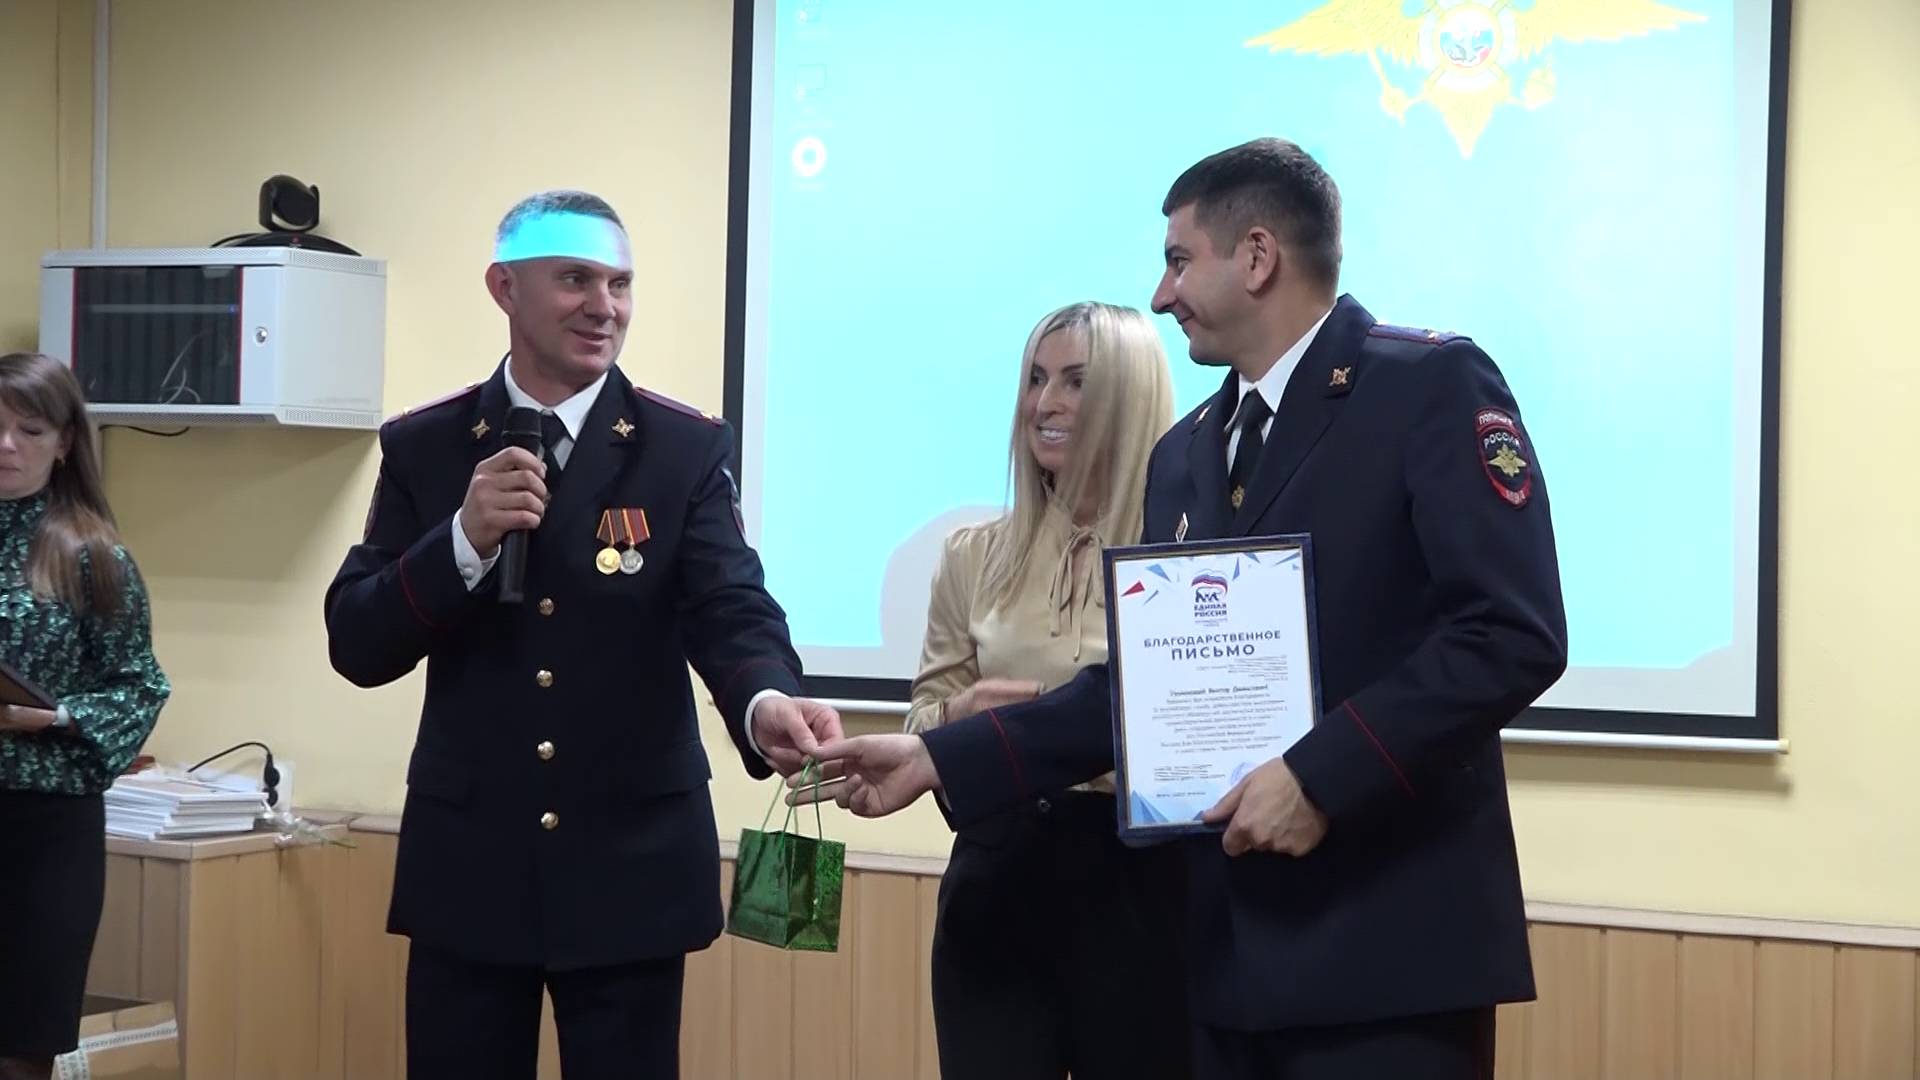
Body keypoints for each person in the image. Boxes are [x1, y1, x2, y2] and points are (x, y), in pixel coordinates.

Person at [796, 138, 1569, 1079]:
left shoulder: (1424, 386)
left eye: (1177, 260)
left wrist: (1319, 776)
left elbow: (1509, 633)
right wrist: (936, 757)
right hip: (1219, 966)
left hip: (1385, 957)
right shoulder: (1190, 451)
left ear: (1257, 257)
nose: (1162, 296)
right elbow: (1144, 687)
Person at [323, 190, 842, 1080]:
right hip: (471, 867)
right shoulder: (428, 445)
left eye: (620, 284)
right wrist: (461, 541)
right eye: (575, 280)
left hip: (631, 867)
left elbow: (731, 605)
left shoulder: (682, 447)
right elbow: (357, 642)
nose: (604, 306)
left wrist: (764, 702)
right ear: (505, 288)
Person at [901, 301, 1188, 1079]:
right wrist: (957, 718)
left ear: (1130, 398)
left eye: (1075, 382)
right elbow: (923, 718)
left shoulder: (1184, 557)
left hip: (1140, 892)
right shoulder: (973, 556)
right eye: (1035, 380)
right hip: (996, 885)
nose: (1044, 404)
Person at [0, 353, 170, 1080]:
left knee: (22, 1044)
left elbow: (140, 686)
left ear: (66, 442)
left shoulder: (92, 554)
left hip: (45, 827)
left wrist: (54, 716)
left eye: (29, 431)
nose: (7, 445)